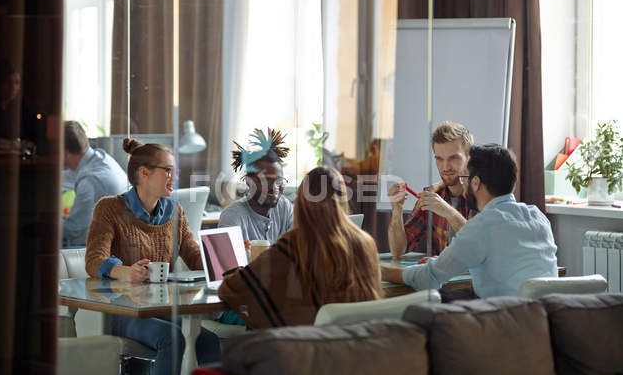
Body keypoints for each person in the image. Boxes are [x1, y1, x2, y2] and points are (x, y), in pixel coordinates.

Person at [85, 138, 204, 375]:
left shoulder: (175, 211)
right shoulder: (109, 208)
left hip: (161, 308)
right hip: (122, 310)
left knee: (205, 339)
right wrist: (126, 272)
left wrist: (227, 256)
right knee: (172, 339)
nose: (174, 177)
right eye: (168, 171)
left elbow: (194, 255)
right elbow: (94, 260)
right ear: (144, 173)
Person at [382, 144, 558, 298]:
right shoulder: (538, 217)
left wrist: (376, 271)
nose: (462, 184)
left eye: (464, 178)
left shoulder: (482, 225)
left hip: (507, 325)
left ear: (475, 182)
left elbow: (428, 277)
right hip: (545, 323)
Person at [218, 166, 383, 329]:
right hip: (358, 347)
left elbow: (230, 289)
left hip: (311, 349)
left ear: (302, 202)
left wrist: (234, 272)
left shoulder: (293, 245)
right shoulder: (366, 243)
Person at [387, 121, 476, 259]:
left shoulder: (483, 195)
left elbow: (480, 247)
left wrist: (448, 212)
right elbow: (398, 250)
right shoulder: (433, 195)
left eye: (453, 158)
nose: (445, 167)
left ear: (469, 158)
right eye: (439, 159)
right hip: (443, 279)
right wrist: (396, 211)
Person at [218, 128, 294, 243]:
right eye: (266, 181)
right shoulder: (232, 217)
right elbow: (225, 259)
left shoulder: (284, 207)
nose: (274, 187)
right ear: (249, 182)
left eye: (279, 181)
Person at [62, 121, 128, 245]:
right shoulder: (100, 158)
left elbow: (73, 229)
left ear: (63, 153)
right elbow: (69, 177)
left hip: (110, 250)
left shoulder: (90, 181)